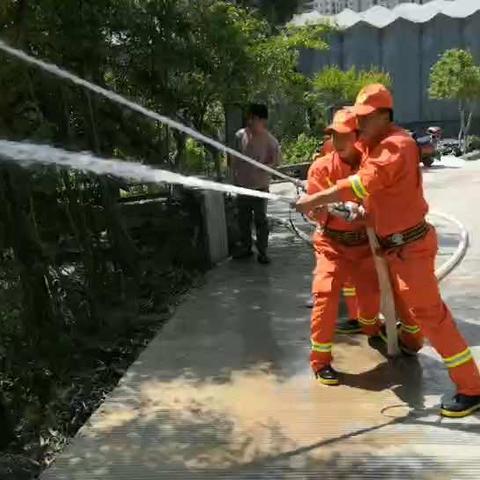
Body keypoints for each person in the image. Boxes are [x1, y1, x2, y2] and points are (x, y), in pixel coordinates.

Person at [295, 83, 480, 417]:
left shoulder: (397, 146)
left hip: (409, 246)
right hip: (390, 247)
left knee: (430, 315)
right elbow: (352, 169)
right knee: (406, 308)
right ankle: (409, 344)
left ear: (384, 116)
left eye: (365, 118)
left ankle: (471, 387)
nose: (359, 125)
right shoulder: (371, 144)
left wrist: (315, 199)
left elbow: (361, 183)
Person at [306, 108, 381, 385]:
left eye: (344, 135)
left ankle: (372, 327)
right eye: (333, 135)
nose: (338, 141)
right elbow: (314, 209)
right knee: (325, 295)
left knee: (371, 300)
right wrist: (329, 209)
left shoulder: (372, 164)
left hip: (364, 247)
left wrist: (362, 210)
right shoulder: (321, 168)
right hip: (332, 244)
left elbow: (383, 199)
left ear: (358, 136)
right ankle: (320, 361)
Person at [229, 104, 281, 265]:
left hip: (260, 188)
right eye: (249, 118)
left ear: (262, 120)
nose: (250, 121)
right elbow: (233, 160)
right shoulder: (240, 136)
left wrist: (266, 166)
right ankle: (246, 247)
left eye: (254, 118)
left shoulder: (270, 141)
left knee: (260, 220)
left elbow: (276, 162)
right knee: (242, 219)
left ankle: (263, 252)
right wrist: (233, 180)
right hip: (242, 186)